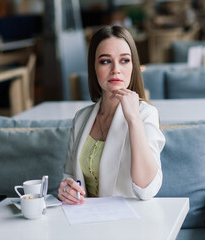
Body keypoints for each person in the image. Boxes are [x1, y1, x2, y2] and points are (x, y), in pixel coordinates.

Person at [58, 25, 165, 204]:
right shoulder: (81, 118)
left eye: (124, 60)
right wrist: (66, 190)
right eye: (105, 61)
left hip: (128, 222)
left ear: (133, 66)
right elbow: (69, 176)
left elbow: (148, 188)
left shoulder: (145, 114)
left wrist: (133, 120)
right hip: (84, 220)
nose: (116, 69)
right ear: (94, 67)